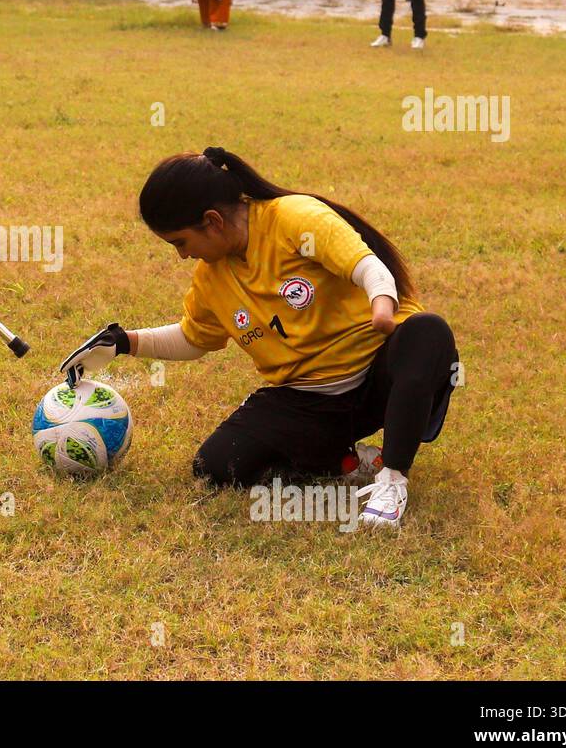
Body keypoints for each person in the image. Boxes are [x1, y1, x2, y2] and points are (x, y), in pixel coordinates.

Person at [58, 148, 459, 530]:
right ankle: (348, 463)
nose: (182, 255)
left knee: (427, 331)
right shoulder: (211, 278)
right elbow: (193, 339)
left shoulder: (294, 218)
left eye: (180, 242)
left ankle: (392, 478)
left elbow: (367, 266)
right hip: (312, 400)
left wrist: (383, 307)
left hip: (381, 379)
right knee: (216, 466)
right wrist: (124, 341)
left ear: (212, 221)